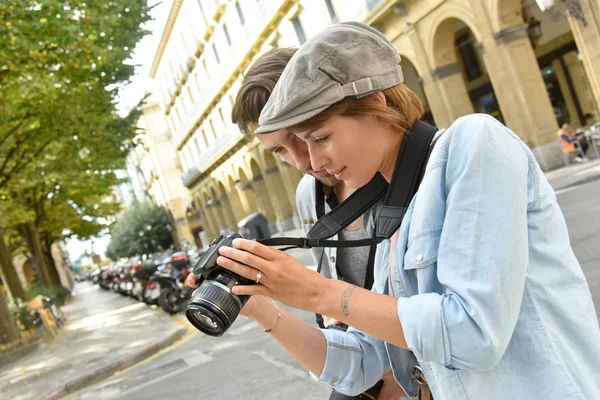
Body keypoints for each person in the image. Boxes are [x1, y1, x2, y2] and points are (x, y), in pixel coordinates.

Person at [190, 22, 600, 399]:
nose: (309, 164)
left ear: (374, 103)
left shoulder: (475, 143)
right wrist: (258, 300)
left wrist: (316, 291)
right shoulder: (388, 221)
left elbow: (475, 334)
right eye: (289, 147)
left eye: (321, 137)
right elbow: (365, 363)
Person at [231, 47, 408, 399]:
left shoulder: (418, 170)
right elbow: (337, 297)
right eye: (279, 151)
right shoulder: (309, 194)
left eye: (303, 137)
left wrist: (320, 295)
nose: (302, 161)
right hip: (363, 374)